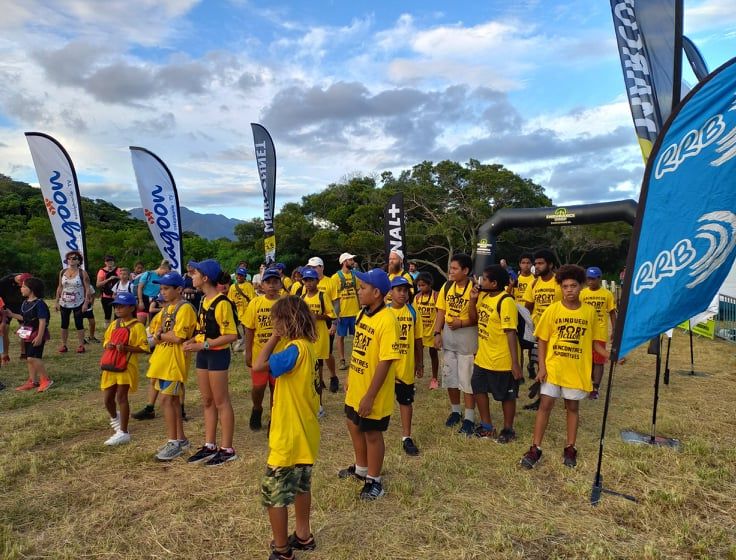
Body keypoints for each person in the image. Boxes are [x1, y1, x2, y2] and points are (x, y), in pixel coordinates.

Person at [520, 265, 609, 470]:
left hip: (576, 369)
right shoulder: (553, 310)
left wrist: (610, 355)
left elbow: (595, 342)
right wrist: (542, 367)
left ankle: (570, 446)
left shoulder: (589, 312)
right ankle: (535, 447)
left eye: (573, 285)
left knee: (572, 407)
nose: (569, 289)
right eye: (565, 286)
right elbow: (542, 340)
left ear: (581, 286)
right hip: (554, 367)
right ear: (560, 287)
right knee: (545, 405)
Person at [253, 296, 320, 560]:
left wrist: (273, 338)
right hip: (306, 430)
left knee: (275, 492)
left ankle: (282, 549)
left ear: (287, 322)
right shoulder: (309, 347)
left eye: (276, 321)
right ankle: (303, 535)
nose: (274, 325)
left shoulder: (293, 350)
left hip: (289, 434)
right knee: (302, 485)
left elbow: (258, 365)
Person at [338, 268, 399, 501]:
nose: (358, 291)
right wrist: (351, 378)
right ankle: (361, 469)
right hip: (357, 384)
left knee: (372, 433)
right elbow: (359, 349)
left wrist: (370, 396)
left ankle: (375, 480)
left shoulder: (387, 320)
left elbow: (385, 361)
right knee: (353, 424)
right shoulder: (361, 314)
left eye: (362, 288)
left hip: (374, 390)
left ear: (376, 292)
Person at [183, 259, 239, 466]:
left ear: (205, 278)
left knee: (221, 401)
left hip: (216, 355)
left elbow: (231, 335)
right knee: (207, 400)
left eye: (194, 273)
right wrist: (194, 340)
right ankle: (209, 444)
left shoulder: (222, 302)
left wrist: (204, 345)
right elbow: (203, 330)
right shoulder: (203, 300)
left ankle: (227, 448)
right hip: (204, 354)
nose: (191, 276)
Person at [147, 272, 198, 461]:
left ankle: (173, 442)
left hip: (174, 362)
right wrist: (160, 334)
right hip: (163, 360)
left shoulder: (185, 308)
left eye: (167, 288)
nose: (163, 292)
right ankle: (181, 439)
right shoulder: (167, 309)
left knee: (167, 401)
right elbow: (154, 328)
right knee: (173, 401)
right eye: (161, 289)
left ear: (179, 289)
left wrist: (161, 335)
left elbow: (178, 337)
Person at [469, 265, 522, 442]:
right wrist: (472, 300)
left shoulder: (506, 301)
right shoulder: (483, 296)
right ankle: (487, 426)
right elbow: (474, 319)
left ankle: (508, 429)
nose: (480, 281)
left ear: (494, 283)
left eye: (484, 279)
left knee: (506, 395)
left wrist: (515, 363)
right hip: (483, 357)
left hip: (502, 359)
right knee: (478, 387)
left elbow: (510, 333)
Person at [433, 253, 478, 435]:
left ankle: (469, 418)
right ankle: (455, 411)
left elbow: (477, 318)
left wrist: (462, 322)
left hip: (467, 338)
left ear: (465, 270)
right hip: (450, 338)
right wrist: (437, 332)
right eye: (450, 268)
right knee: (450, 376)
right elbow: (441, 311)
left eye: (454, 268)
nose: (450, 271)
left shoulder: (474, 288)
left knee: (466, 379)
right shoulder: (447, 286)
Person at [100, 291, 149, 445]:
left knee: (121, 397)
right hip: (111, 365)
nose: (118, 310)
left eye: (121, 306)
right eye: (116, 307)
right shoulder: (114, 324)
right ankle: (116, 418)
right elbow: (106, 340)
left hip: (126, 366)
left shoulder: (138, 326)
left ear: (131, 308)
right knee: (108, 399)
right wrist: (108, 344)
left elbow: (144, 347)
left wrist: (127, 348)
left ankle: (124, 431)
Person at [244, 267, 284, 431]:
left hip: (279, 354)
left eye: (275, 282)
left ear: (280, 284)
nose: (272, 286)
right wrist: (248, 352)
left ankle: (273, 419)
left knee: (277, 389)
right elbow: (249, 329)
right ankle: (257, 408)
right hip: (259, 355)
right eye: (268, 282)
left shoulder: (285, 303)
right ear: (262, 285)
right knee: (258, 387)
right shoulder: (255, 303)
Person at [523, 249, 562, 410]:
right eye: (536, 263)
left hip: (558, 333)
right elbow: (528, 307)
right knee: (541, 364)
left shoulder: (560, 283)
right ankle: (541, 399)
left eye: (541, 263)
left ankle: (564, 395)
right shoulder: (534, 283)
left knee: (557, 364)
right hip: (540, 333)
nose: (536, 267)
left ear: (550, 264)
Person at [388, 276, 423, 456]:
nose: (402, 293)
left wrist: (420, 362)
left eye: (405, 290)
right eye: (398, 290)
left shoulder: (412, 312)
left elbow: (418, 339)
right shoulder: (384, 312)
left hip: (405, 367)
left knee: (405, 402)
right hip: (385, 369)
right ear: (390, 292)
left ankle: (406, 437)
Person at [299, 267, 336, 417]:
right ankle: (308, 402)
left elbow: (331, 315)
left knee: (318, 374)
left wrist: (317, 316)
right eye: (305, 280)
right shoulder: (302, 298)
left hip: (320, 339)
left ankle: (319, 405)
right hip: (306, 339)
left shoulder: (322, 296)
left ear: (317, 281)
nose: (308, 283)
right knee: (306, 373)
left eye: (311, 280)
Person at [580, 266, 617, 400]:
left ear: (599, 279)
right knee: (586, 359)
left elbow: (612, 312)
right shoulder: (582, 293)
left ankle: (595, 387)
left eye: (593, 279)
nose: (590, 281)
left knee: (599, 361)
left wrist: (614, 329)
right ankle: (588, 382)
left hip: (599, 332)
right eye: (588, 278)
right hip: (584, 331)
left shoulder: (606, 294)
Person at [12, 277, 53, 392]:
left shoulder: (39, 304)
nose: (21, 288)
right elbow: (24, 318)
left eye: (24, 286)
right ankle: (32, 381)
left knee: (33, 358)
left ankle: (46, 380)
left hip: (37, 334)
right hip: (28, 334)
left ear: (32, 289)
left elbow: (42, 321)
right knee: (29, 359)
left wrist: (39, 336)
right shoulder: (25, 303)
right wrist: (11, 314)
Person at [306, 257, 339, 393]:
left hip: (326, 324)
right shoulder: (306, 283)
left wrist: (334, 324)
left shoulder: (330, 282)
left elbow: (336, 303)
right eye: (310, 267)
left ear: (322, 267)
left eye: (315, 267)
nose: (312, 269)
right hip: (309, 328)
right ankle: (317, 380)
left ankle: (333, 377)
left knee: (328, 353)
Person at [55, 250, 92, 354]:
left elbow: (88, 289)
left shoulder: (82, 273)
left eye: (74, 258)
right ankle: (64, 345)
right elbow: (60, 287)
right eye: (69, 258)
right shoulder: (62, 272)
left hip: (78, 302)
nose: (71, 260)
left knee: (79, 323)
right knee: (64, 323)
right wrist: (57, 301)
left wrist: (86, 303)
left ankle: (81, 345)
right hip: (64, 302)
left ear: (79, 261)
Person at [331, 253, 360, 374]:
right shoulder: (335, 277)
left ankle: (356, 358)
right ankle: (342, 360)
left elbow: (358, 292)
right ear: (344, 262)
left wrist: (360, 309)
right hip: (342, 313)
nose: (352, 261)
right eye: (350, 260)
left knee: (357, 337)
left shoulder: (355, 276)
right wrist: (336, 314)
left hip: (355, 312)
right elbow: (334, 298)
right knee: (340, 337)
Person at [414, 272, 440, 389]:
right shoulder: (417, 297)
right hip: (420, 331)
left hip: (432, 331)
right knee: (416, 355)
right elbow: (414, 315)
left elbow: (440, 313)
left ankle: (434, 378)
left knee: (433, 354)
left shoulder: (436, 296)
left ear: (430, 284)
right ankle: (412, 378)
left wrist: (438, 331)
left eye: (423, 285)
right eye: (419, 285)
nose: (421, 288)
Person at [0, 273, 31, 362]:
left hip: (21, 305)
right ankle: (5, 354)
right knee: (5, 328)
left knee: (25, 327)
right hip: (7, 306)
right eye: (21, 285)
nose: (20, 288)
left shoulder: (27, 278)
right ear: (19, 281)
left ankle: (24, 352)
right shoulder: (4, 281)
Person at [513, 254, 534, 373]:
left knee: (532, 342)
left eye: (528, 263)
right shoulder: (516, 278)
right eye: (523, 263)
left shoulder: (535, 280)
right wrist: (511, 285)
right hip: (517, 313)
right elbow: (509, 295)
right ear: (520, 264)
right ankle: (519, 369)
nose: (526, 265)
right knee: (519, 343)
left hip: (530, 313)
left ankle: (531, 366)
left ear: (531, 265)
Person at [228, 266, 256, 351]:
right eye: (238, 275)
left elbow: (252, 299)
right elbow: (230, 299)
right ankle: (241, 341)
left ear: (244, 276)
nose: (239, 277)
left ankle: (248, 346)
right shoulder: (233, 287)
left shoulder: (248, 286)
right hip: (237, 311)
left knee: (246, 330)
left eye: (241, 275)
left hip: (246, 311)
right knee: (233, 327)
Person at [136, 260, 171, 325]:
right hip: (144, 298)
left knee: (153, 323)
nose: (165, 274)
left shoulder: (162, 277)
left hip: (154, 300)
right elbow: (140, 287)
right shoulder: (148, 274)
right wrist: (140, 301)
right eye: (165, 272)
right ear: (161, 268)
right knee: (140, 323)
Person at [96, 255, 121, 327]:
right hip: (106, 296)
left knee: (118, 314)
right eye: (107, 261)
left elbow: (125, 279)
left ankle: (116, 329)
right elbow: (98, 285)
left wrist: (116, 277)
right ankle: (107, 330)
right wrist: (108, 279)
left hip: (117, 295)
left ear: (114, 262)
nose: (109, 263)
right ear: (105, 262)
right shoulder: (102, 271)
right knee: (107, 314)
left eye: (111, 261)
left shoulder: (119, 270)